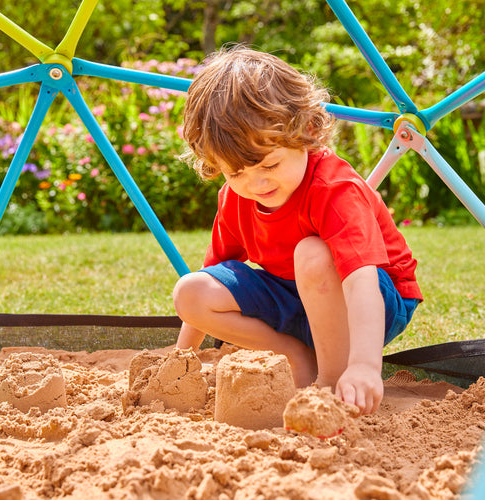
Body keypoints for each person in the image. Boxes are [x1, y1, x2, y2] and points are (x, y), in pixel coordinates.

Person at [172, 46, 422, 415]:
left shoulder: (334, 189)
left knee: (313, 253)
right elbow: (215, 274)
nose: (255, 183)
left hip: (374, 301)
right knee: (191, 291)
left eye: (269, 164)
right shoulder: (235, 197)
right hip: (296, 299)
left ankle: (332, 381)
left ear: (307, 130)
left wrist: (366, 365)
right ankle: (295, 354)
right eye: (235, 172)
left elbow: (361, 281)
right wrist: (180, 360)